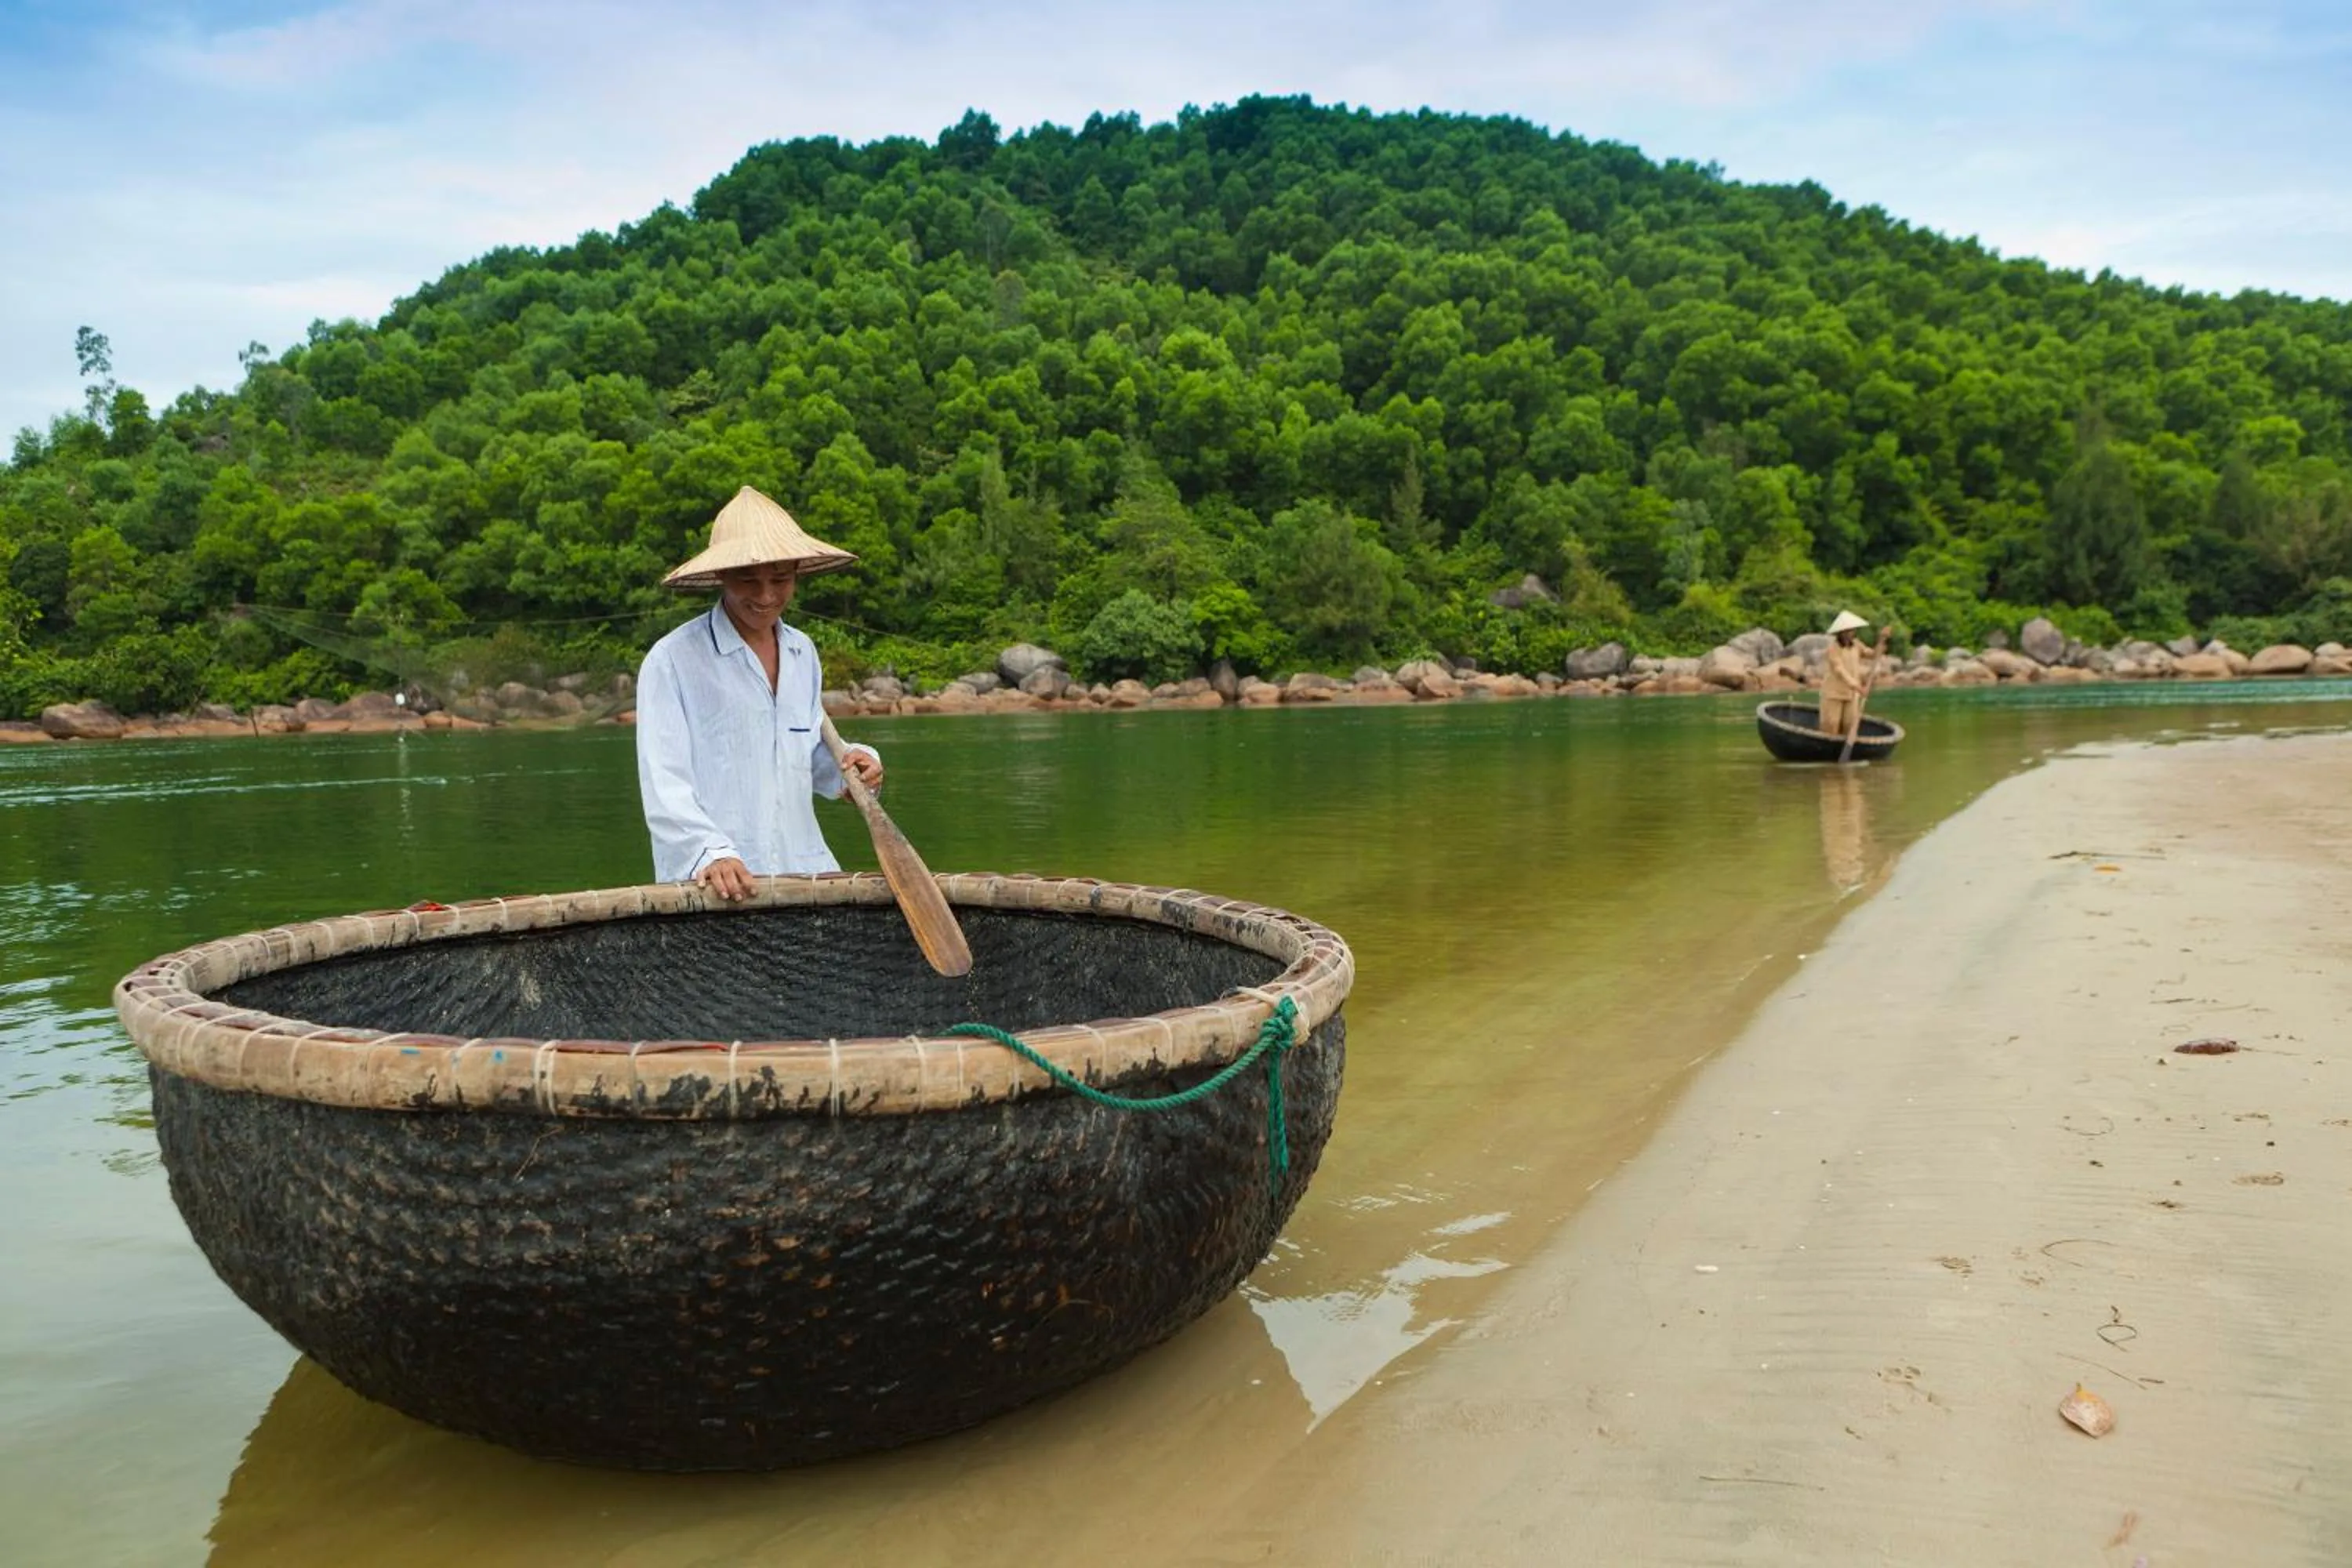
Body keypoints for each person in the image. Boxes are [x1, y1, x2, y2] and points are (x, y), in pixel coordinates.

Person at [636, 486, 884, 901]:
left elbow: (805, 759)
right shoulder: (673, 660)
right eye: (749, 579)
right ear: (722, 576)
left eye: (781, 579)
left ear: (797, 575)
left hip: (804, 875)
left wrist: (855, 767)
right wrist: (710, 853)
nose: (767, 595)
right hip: (716, 883)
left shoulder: (802, 652)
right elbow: (664, 782)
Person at [1817, 610, 1891, 737]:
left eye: (1852, 631)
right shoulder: (1833, 649)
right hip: (1834, 694)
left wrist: (1882, 640)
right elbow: (1840, 671)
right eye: (1848, 631)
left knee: (1850, 726)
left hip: (1852, 695)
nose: (1851, 634)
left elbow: (1873, 654)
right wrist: (1857, 686)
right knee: (1831, 726)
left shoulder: (1856, 645)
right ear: (1841, 633)